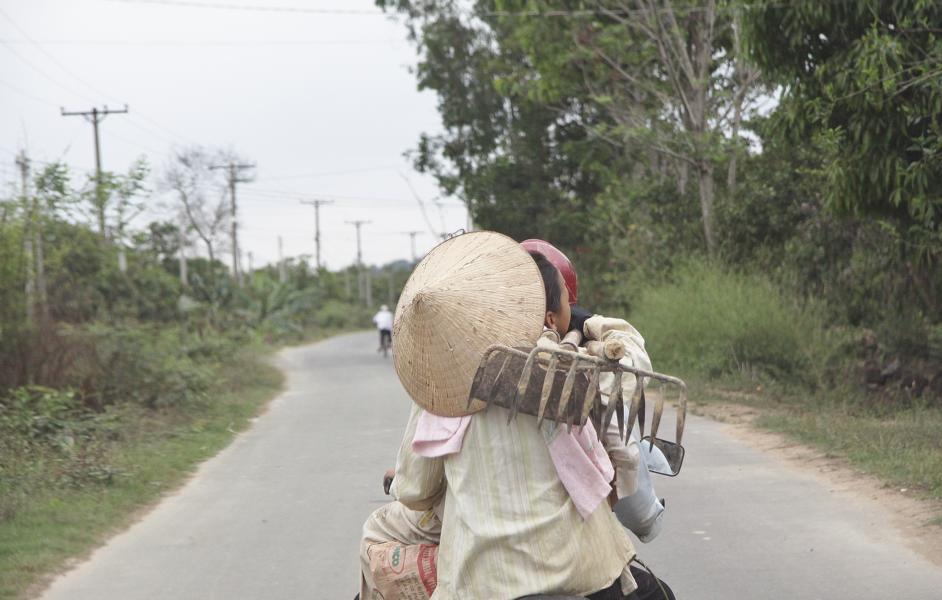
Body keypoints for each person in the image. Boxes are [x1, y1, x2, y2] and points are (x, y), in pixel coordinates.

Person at [359, 235, 670, 599]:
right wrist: (593, 326)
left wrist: (403, 482)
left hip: (480, 585)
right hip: (583, 573)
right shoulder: (573, 368)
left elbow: (415, 491)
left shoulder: (442, 386)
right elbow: (631, 367)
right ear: (552, 314)